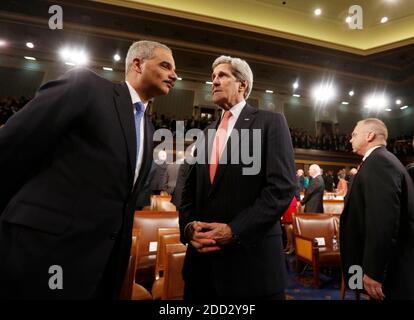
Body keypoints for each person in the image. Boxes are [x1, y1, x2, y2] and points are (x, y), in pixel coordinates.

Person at [0, 40, 177, 299]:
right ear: (137, 64)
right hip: (42, 253)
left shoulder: (148, 129)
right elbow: (14, 144)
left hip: (100, 267)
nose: (174, 75)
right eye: (165, 65)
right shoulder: (87, 87)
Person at [179, 55, 296, 300]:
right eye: (213, 77)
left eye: (222, 75)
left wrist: (234, 230)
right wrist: (189, 228)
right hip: (202, 269)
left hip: (251, 265)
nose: (214, 81)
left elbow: (281, 188)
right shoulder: (206, 133)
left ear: (242, 84)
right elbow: (187, 190)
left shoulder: (271, 122)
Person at [341, 118, 414, 300]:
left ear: (370, 135)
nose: (350, 139)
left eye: (354, 135)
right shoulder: (378, 161)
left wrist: (373, 271)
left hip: (389, 271)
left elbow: (382, 221)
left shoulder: (379, 162)